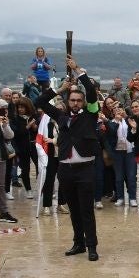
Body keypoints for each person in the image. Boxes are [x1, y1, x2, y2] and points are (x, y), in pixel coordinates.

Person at [35, 56, 101, 260]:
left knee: (86, 210)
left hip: (85, 168)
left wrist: (79, 70)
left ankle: (91, 245)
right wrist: (60, 88)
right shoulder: (61, 116)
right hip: (65, 168)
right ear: (67, 101)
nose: (75, 103)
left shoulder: (91, 114)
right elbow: (39, 101)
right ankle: (78, 243)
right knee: (73, 209)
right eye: (72, 100)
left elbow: (90, 92)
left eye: (78, 100)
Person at [109, 105, 138, 207]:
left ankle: (133, 198)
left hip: (130, 151)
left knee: (131, 176)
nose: (118, 111)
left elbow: (134, 133)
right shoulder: (111, 123)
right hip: (117, 152)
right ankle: (120, 197)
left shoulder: (129, 120)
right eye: (115, 109)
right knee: (119, 177)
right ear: (113, 112)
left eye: (120, 109)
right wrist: (116, 121)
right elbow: (111, 133)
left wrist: (133, 127)